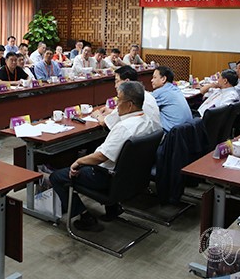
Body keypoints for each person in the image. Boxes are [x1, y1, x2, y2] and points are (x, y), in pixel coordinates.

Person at [50, 82, 159, 230]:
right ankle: (113, 209)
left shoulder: (124, 127)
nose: (116, 105)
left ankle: (84, 217)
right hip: (131, 177)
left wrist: (78, 162)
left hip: (104, 177)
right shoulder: (148, 121)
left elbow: (101, 157)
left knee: (57, 177)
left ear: (130, 105)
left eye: (119, 100)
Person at [91, 66, 161, 131]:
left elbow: (104, 122)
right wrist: (112, 111)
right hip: (153, 135)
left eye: (117, 81)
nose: (115, 86)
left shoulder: (129, 98)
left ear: (127, 81)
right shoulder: (145, 94)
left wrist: (97, 115)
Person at [150, 66, 193, 131]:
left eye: (154, 77)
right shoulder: (175, 89)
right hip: (187, 131)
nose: (152, 80)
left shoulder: (161, 92)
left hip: (172, 133)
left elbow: (145, 102)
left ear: (163, 79)